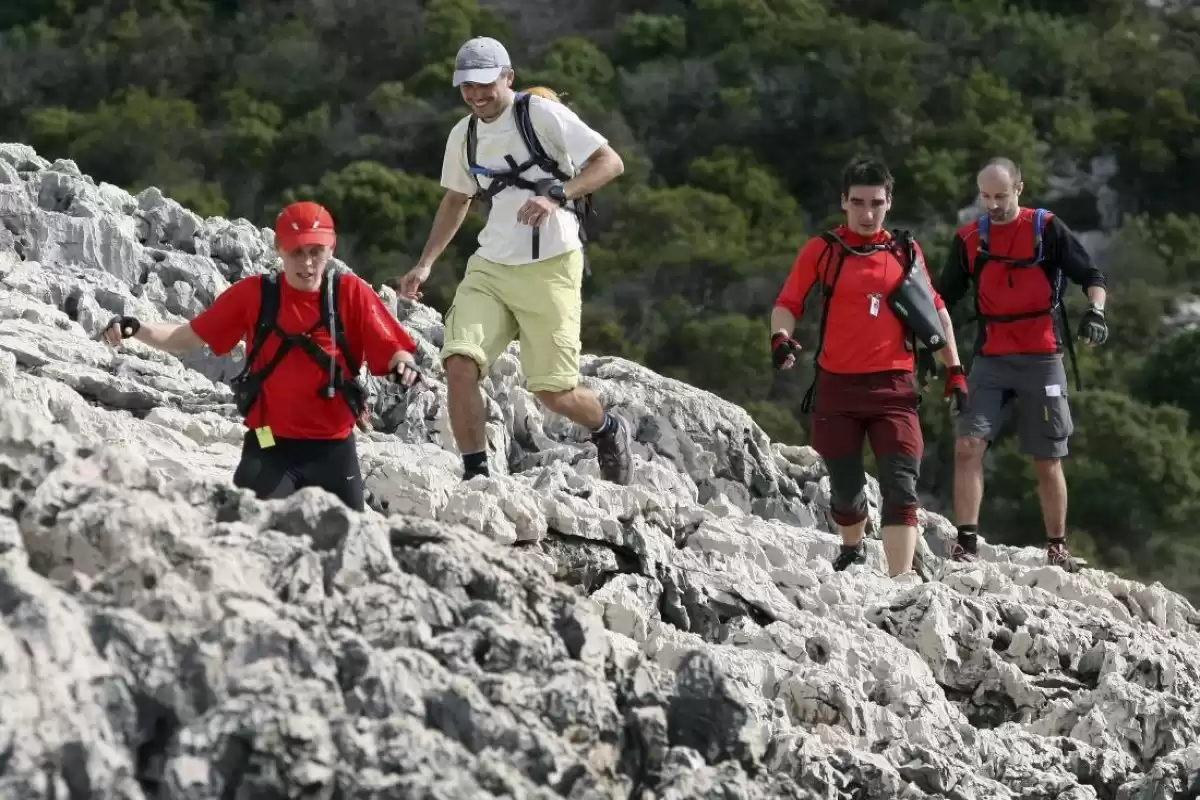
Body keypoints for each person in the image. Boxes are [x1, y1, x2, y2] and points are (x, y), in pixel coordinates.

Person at [398, 36, 632, 484]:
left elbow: (610, 162)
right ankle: (477, 476)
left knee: (553, 391)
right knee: (459, 363)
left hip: (551, 265)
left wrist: (557, 195)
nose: (476, 95)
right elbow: (456, 199)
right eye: (467, 86)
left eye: (485, 83)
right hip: (490, 266)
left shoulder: (540, 114)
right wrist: (425, 262)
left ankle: (607, 429)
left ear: (508, 77)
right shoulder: (464, 134)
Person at [101, 200, 422, 511]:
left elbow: (393, 350)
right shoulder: (253, 294)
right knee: (249, 531)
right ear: (279, 248)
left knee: (349, 549)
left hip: (335, 450)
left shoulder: (352, 294)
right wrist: (136, 328)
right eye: (296, 252)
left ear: (332, 248)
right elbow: (185, 337)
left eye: (316, 252)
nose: (307, 263)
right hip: (269, 443)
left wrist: (402, 367)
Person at [770, 157, 967, 578]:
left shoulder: (904, 250)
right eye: (857, 202)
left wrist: (956, 369)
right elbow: (787, 304)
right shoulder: (823, 250)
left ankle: (898, 588)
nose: (867, 212)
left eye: (876, 202)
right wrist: (780, 339)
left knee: (902, 487)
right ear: (843, 202)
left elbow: (936, 311)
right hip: (837, 388)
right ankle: (853, 546)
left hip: (894, 388)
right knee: (845, 489)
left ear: (889, 203)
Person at [936, 157, 1109, 571]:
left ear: (1019, 189)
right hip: (991, 357)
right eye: (985, 196)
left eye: (1000, 195)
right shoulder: (969, 240)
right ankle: (966, 544)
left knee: (1047, 456)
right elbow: (941, 297)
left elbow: (1092, 275)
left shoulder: (1047, 229)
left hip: (1042, 356)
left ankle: (1057, 547)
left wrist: (1096, 312)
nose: (992, 204)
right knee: (967, 446)